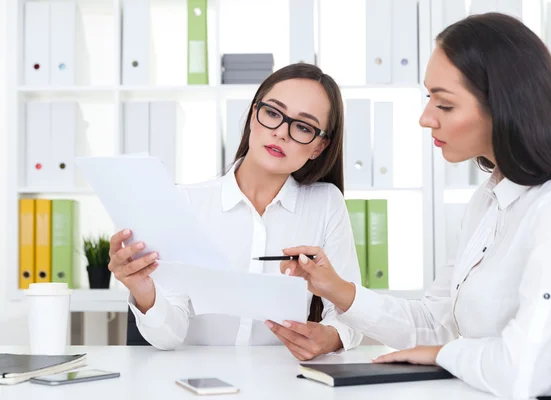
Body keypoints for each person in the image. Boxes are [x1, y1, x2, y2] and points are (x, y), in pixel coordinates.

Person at [279, 13, 551, 399]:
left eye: (444, 105)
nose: (425, 118)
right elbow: (438, 322)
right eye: (428, 97)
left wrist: (443, 354)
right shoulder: (489, 200)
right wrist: (339, 290)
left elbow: (523, 371)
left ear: (505, 107)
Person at [108, 63, 363, 360]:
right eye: (272, 113)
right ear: (254, 115)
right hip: (195, 383)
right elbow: (168, 335)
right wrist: (144, 291)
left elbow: (350, 313)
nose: (281, 132)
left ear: (319, 147)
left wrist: (330, 337)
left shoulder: (325, 204)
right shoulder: (187, 202)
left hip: (284, 383)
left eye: (303, 127)